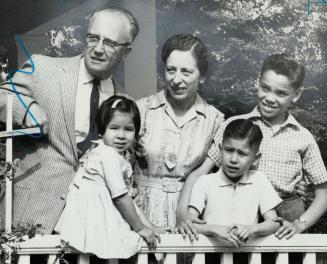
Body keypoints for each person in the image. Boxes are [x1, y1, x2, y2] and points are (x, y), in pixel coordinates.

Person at [0, 6, 139, 234]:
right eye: (93, 38)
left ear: (127, 52)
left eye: (110, 43)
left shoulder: (124, 103)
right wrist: (26, 108)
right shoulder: (43, 68)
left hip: (91, 230)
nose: (98, 49)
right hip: (32, 219)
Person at [210, 54, 327, 239]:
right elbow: (204, 173)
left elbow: (323, 194)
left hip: (285, 217)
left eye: (281, 93)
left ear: (296, 95)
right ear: (258, 83)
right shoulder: (235, 125)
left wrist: (299, 224)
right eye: (265, 88)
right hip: (239, 213)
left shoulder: (303, 137)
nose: (270, 98)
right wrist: (184, 212)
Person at [135, 34, 224, 238]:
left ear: (202, 76)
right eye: (171, 70)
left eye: (186, 72)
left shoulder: (215, 120)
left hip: (190, 219)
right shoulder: (141, 110)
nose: (176, 80)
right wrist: (139, 221)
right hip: (140, 215)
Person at [55, 95, 160, 259]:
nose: (121, 135)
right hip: (95, 217)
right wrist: (140, 228)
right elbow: (121, 197)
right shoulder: (108, 155)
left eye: (128, 129)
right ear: (102, 130)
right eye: (114, 128)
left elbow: (128, 200)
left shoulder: (109, 153)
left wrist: (150, 226)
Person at [189, 119, 281, 247]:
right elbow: (189, 223)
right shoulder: (205, 182)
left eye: (242, 154)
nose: (233, 159)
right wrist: (214, 229)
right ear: (220, 149)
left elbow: (274, 223)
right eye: (229, 150)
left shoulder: (259, 180)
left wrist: (251, 229)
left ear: (256, 158)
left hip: (247, 257)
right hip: (210, 256)